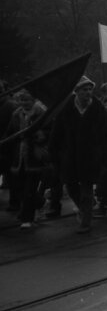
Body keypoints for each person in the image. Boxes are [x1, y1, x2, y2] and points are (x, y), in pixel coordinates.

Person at [49, 76, 107, 233]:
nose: (88, 92)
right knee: (71, 187)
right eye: (84, 90)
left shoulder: (99, 109)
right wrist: (53, 152)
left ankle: (86, 221)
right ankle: (86, 208)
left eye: (90, 89)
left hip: (90, 156)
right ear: (76, 91)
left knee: (86, 188)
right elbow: (56, 133)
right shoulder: (65, 108)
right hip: (69, 156)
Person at [7, 89, 48, 229]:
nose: (24, 103)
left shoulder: (40, 114)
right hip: (19, 158)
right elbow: (10, 133)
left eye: (27, 100)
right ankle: (40, 201)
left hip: (34, 157)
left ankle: (27, 218)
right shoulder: (16, 115)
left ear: (33, 100)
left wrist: (40, 136)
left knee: (29, 190)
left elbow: (48, 131)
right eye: (22, 100)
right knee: (19, 188)